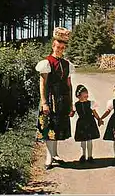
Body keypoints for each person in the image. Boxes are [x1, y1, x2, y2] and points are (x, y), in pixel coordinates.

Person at [35, 27, 75, 170]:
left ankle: (55, 153)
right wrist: (44, 102)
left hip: (62, 99)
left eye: (62, 48)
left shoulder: (66, 64)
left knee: (57, 128)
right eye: (58, 47)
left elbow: (69, 85)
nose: (60, 50)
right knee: (49, 127)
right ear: (53, 46)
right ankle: (49, 156)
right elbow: (43, 83)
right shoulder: (47, 62)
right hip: (50, 99)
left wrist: (71, 104)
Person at [72, 84, 101, 163]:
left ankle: (90, 156)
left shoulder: (90, 103)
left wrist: (99, 119)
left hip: (90, 122)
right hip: (81, 123)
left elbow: (94, 113)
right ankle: (83, 155)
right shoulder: (75, 105)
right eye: (84, 96)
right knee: (83, 141)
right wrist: (69, 112)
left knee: (89, 140)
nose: (86, 97)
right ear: (78, 96)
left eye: (87, 96)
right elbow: (72, 114)